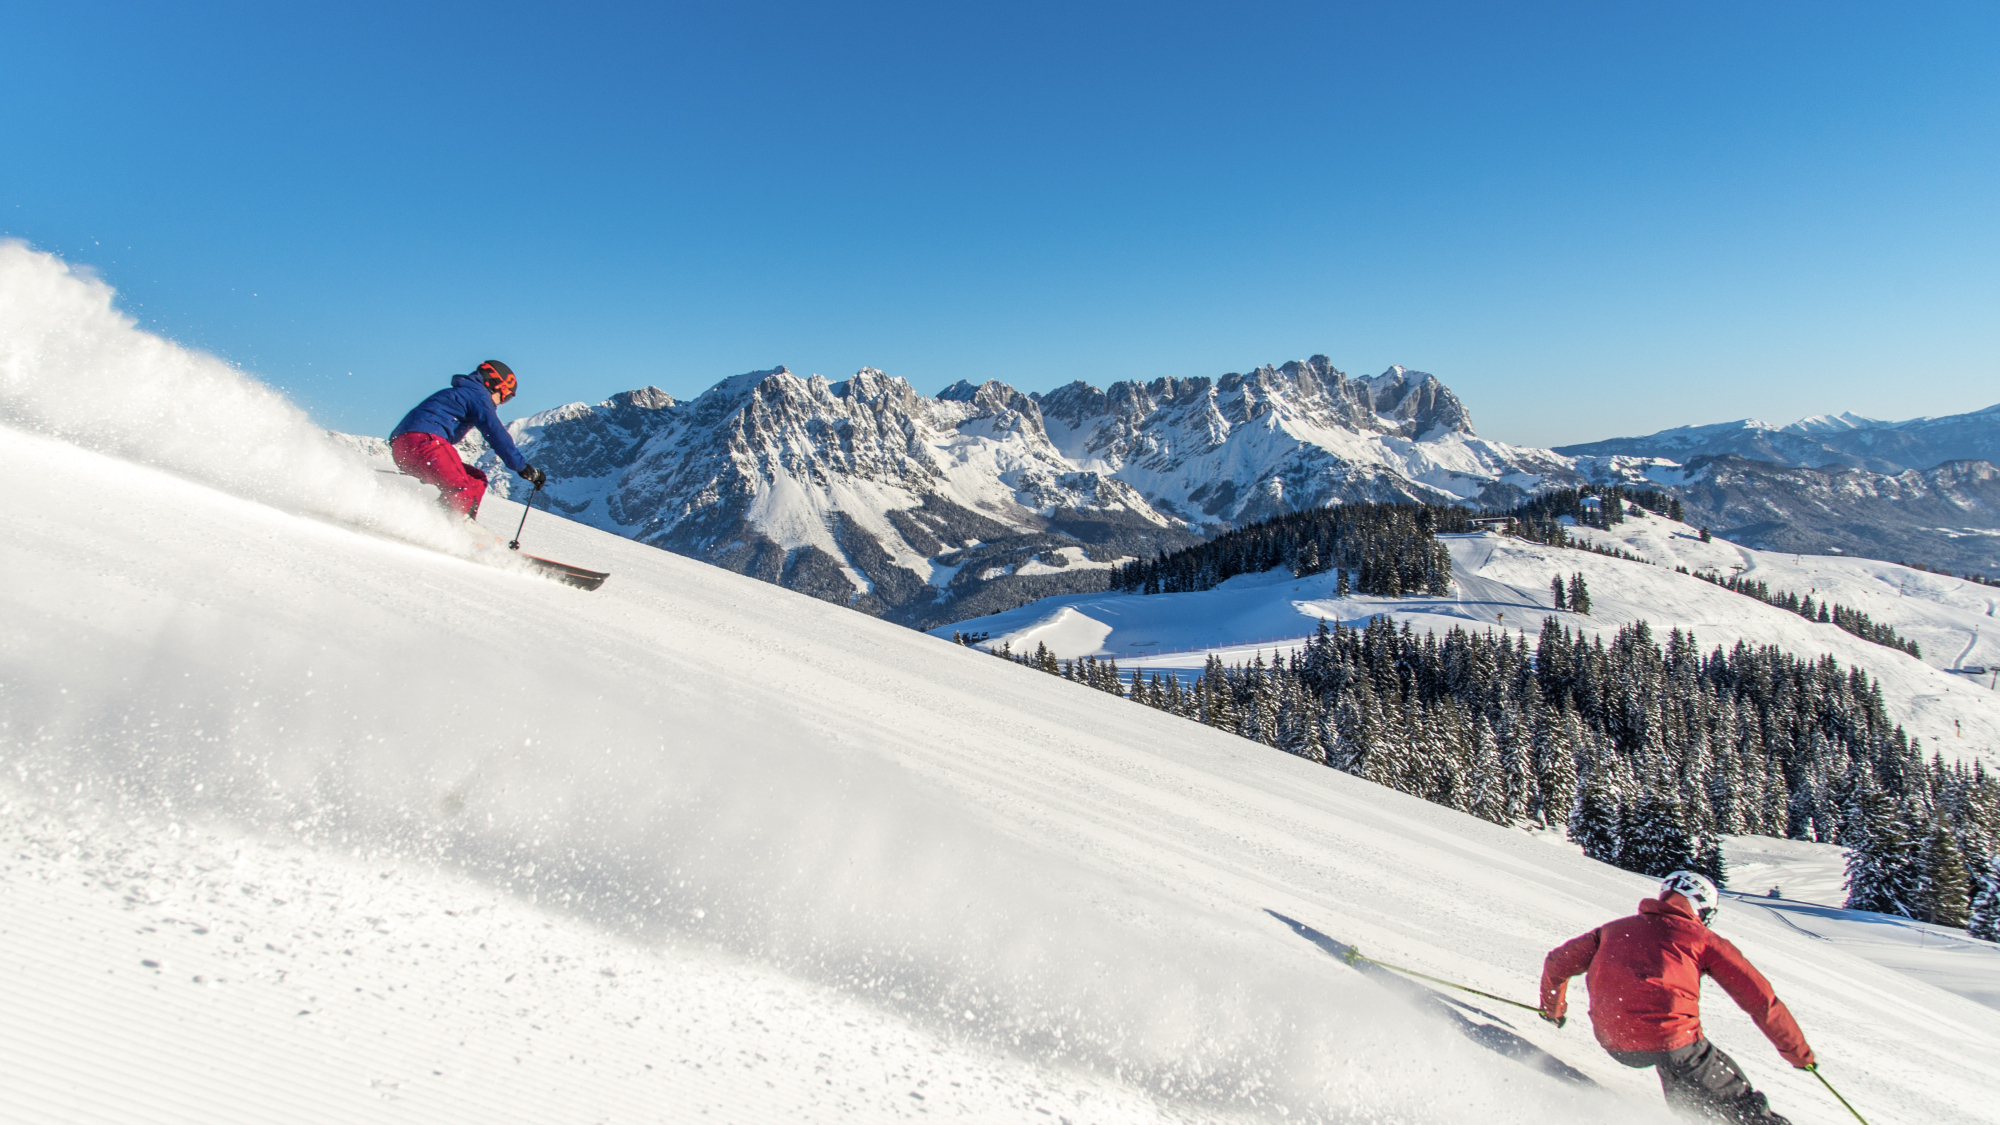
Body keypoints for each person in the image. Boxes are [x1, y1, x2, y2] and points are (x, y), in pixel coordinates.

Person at [1540, 871, 1815, 1124]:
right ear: (1700, 907)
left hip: (1616, 1042)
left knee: (1686, 1089)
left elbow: (1557, 962)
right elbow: (1761, 1000)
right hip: (1672, 1041)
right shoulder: (1701, 938)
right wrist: (1798, 1054)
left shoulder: (1610, 931)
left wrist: (1553, 1010)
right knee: (1740, 1101)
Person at [388, 360, 546, 519]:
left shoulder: (462, 394)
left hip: (403, 448)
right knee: (461, 489)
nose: (502, 402)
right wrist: (521, 466)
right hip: (426, 442)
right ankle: (455, 523)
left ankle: (440, 520)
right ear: (496, 385)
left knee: (475, 479)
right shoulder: (478, 396)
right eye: (507, 396)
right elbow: (495, 432)